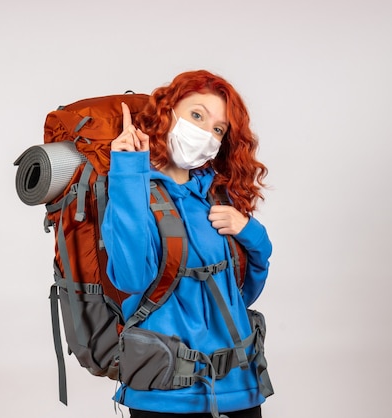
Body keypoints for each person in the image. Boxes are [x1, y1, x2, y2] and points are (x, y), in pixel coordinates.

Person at [101, 69, 272, 418]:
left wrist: (250, 231)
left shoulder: (217, 194)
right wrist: (128, 170)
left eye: (218, 129)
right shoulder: (132, 188)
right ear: (168, 112)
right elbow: (131, 278)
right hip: (165, 392)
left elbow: (243, 293)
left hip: (240, 384)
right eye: (197, 115)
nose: (206, 133)